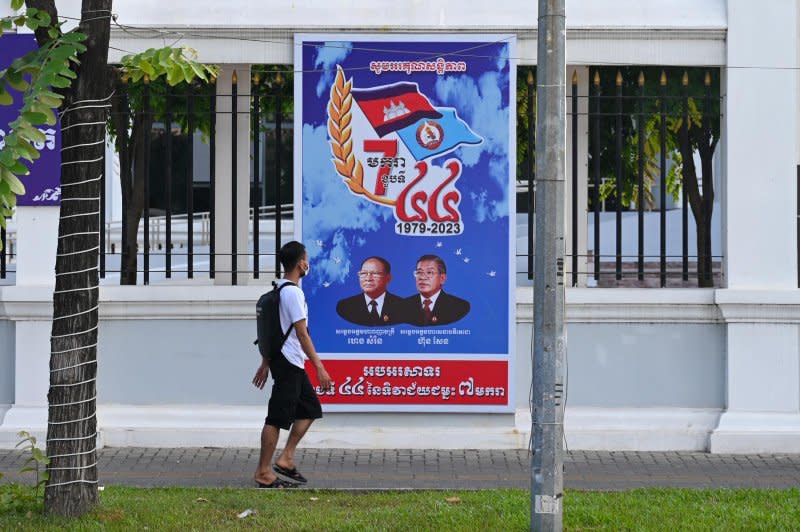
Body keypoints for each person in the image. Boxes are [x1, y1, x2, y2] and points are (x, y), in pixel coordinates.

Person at [252, 241, 333, 488]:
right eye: (306, 258)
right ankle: (263, 472)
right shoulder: (293, 293)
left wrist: (265, 361)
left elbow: (274, 329)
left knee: (310, 409)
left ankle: (286, 458)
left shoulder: (280, 289)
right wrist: (319, 366)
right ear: (301, 263)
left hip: (287, 361)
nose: (308, 263)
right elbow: (301, 333)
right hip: (289, 363)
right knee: (276, 418)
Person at [336, 256, 406, 326]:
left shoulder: (402, 307)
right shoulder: (345, 307)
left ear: (388, 278)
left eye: (375, 273)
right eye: (363, 273)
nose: (368, 278)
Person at [403, 254, 470, 326]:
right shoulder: (404, 306)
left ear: (442, 278)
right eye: (419, 272)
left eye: (429, 272)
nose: (422, 277)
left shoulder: (459, 307)